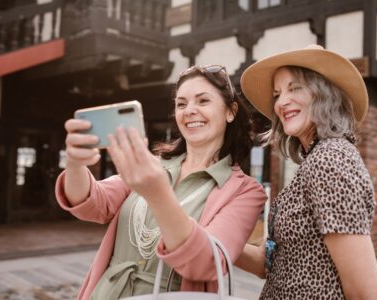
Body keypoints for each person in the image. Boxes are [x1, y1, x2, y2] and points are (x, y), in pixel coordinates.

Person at [55, 65, 267, 299]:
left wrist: (157, 194)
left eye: (203, 101)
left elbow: (206, 263)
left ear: (230, 111)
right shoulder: (153, 165)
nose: (190, 111)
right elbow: (92, 202)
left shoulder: (245, 191)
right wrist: (75, 164)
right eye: (181, 104)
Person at [236, 45, 377, 299]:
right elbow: (271, 263)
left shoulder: (330, 160)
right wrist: (206, 238)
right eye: (277, 94)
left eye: (295, 88)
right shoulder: (316, 158)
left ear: (323, 94)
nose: (281, 102)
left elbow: (365, 293)